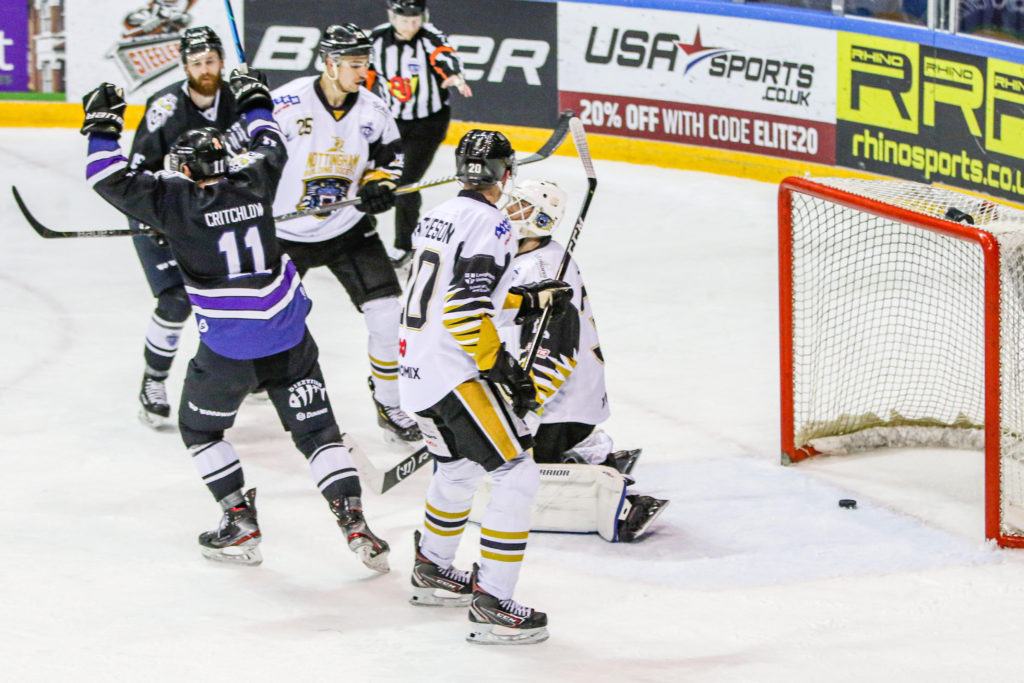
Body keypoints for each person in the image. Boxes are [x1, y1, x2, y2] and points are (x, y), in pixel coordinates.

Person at [80, 70, 390, 573]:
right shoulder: (255, 179)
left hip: (228, 348)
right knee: (318, 435)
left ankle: (238, 521)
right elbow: (270, 137)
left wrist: (102, 123)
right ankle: (355, 524)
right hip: (291, 338)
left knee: (200, 430)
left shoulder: (173, 203)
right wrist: (253, 97)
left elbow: (105, 175)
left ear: (183, 171)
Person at [398, 129, 573, 645]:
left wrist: (527, 300)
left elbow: (450, 292)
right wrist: (503, 369)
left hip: (415, 369)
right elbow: (465, 310)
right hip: (452, 374)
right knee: (515, 473)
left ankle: (433, 568)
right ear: (507, 173)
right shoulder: (493, 222)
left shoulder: (439, 214)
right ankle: (493, 602)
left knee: (457, 469)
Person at [270, 23, 422, 445]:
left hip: (347, 228)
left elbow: (391, 160)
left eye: (366, 63)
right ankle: (254, 375)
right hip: (285, 233)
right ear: (329, 63)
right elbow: (251, 157)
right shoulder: (284, 103)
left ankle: (390, 402)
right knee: (268, 318)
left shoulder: (374, 109)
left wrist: (379, 186)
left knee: (389, 313)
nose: (363, 73)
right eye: (355, 65)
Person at [499, 179, 669, 543]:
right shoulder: (529, 256)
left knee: (523, 472)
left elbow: (555, 345)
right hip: (563, 388)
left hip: (561, 394)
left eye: (520, 207)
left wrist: (528, 401)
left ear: (540, 220)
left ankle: (622, 498)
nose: (508, 210)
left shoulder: (542, 268)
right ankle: (590, 450)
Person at [126, 26, 250, 428]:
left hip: (217, 216)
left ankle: (253, 368)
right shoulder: (164, 108)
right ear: (184, 66)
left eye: (211, 61)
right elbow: (136, 174)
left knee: (243, 294)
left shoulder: (238, 100)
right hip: (166, 214)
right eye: (196, 63)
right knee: (177, 299)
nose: (205, 69)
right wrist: (154, 219)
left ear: (222, 62)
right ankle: (154, 380)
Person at [367, 0, 473, 268]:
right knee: (368, 177)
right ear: (392, 16)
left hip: (428, 123)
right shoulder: (376, 40)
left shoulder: (429, 37)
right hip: (391, 122)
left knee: (405, 183)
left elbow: (445, 55)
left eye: (416, 20)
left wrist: (454, 76)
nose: (412, 26)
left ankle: (405, 246)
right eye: (405, 20)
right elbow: (364, 75)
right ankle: (362, 238)